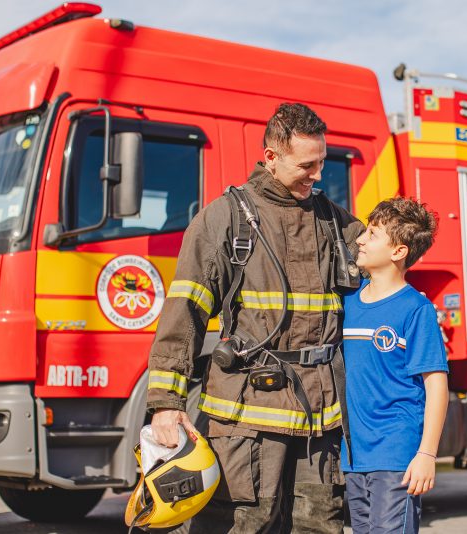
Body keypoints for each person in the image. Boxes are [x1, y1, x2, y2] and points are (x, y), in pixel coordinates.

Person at [145, 102, 364, 533]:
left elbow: (388, 253)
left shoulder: (333, 221)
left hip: (318, 420)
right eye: (307, 165)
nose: (318, 175)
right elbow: (183, 315)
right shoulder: (224, 219)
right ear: (271, 157)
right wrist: (166, 405)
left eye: (322, 162)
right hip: (246, 420)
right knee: (245, 525)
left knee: (319, 527)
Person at [341, 197, 449, 534]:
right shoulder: (346, 302)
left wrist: (427, 454)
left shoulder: (416, 309)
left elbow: (436, 385)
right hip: (353, 456)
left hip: (395, 454)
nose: (360, 240)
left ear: (398, 251)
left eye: (372, 234)